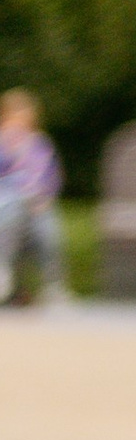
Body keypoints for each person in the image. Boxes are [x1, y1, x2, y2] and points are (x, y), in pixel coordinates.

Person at [0, 87, 68, 306]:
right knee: (11, 214)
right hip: (6, 203)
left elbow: (52, 176)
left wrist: (45, 197)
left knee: (49, 232)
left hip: (37, 206)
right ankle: (3, 271)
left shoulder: (40, 144)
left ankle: (53, 285)